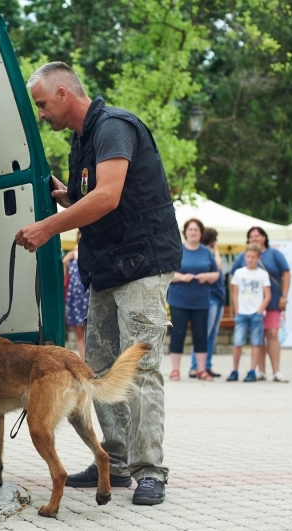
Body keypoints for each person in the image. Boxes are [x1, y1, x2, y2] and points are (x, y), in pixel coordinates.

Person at [15, 62, 182, 505]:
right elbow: (93, 200)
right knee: (102, 371)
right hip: (107, 269)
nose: (42, 114)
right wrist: (63, 196)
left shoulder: (113, 127)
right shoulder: (83, 141)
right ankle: (118, 462)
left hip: (142, 267)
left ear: (65, 94)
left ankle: (151, 471)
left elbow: (107, 197)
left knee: (141, 369)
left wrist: (49, 226)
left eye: (43, 104)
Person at [230, 227, 290, 382]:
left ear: (264, 237)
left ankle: (276, 371)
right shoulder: (243, 256)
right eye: (251, 236)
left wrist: (284, 295)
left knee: (272, 334)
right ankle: (260, 370)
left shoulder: (274, 254)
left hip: (272, 301)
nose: (254, 238)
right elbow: (234, 275)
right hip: (249, 305)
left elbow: (286, 273)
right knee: (258, 337)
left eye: (257, 235)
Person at [167, 218, 219, 381]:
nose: (193, 232)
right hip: (179, 300)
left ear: (201, 233)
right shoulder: (177, 250)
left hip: (201, 301)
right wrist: (182, 277)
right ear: (185, 232)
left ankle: (202, 370)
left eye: (196, 230)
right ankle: (175, 370)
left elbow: (216, 274)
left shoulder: (206, 252)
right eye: (190, 229)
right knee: (178, 334)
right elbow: (168, 274)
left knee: (200, 335)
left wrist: (207, 276)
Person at [227, 244, 271, 382]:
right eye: (248, 256)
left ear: (258, 258)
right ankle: (234, 370)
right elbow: (234, 292)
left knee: (256, 342)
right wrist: (237, 308)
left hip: (256, 312)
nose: (250, 259)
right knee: (238, 342)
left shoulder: (263, 274)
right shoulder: (239, 272)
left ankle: (252, 370)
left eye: (253, 257)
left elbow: (267, 294)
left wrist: (260, 310)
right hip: (242, 312)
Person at [189, 227, 224, 379]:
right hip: (209, 297)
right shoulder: (206, 254)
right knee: (203, 333)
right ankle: (195, 366)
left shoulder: (206, 254)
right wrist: (215, 249)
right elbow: (219, 266)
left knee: (212, 335)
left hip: (218, 297)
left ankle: (207, 365)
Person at [63, 233, 89, 360]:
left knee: (91, 332)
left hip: (87, 297)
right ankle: (84, 362)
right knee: (79, 333)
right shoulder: (73, 254)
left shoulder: (89, 252)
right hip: (75, 298)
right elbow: (64, 262)